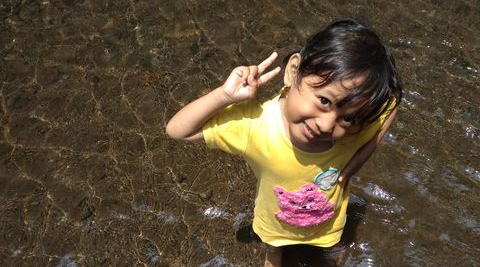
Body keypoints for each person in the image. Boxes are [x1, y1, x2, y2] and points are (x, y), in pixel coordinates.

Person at [165, 19, 402, 267]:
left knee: (331, 249)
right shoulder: (255, 126)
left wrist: (360, 158)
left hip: (328, 221)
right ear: (293, 71)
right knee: (274, 247)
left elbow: (392, 103)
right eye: (324, 101)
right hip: (275, 223)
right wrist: (224, 96)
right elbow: (178, 130)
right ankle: (274, 256)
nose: (327, 124)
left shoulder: (353, 129)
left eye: (348, 116)